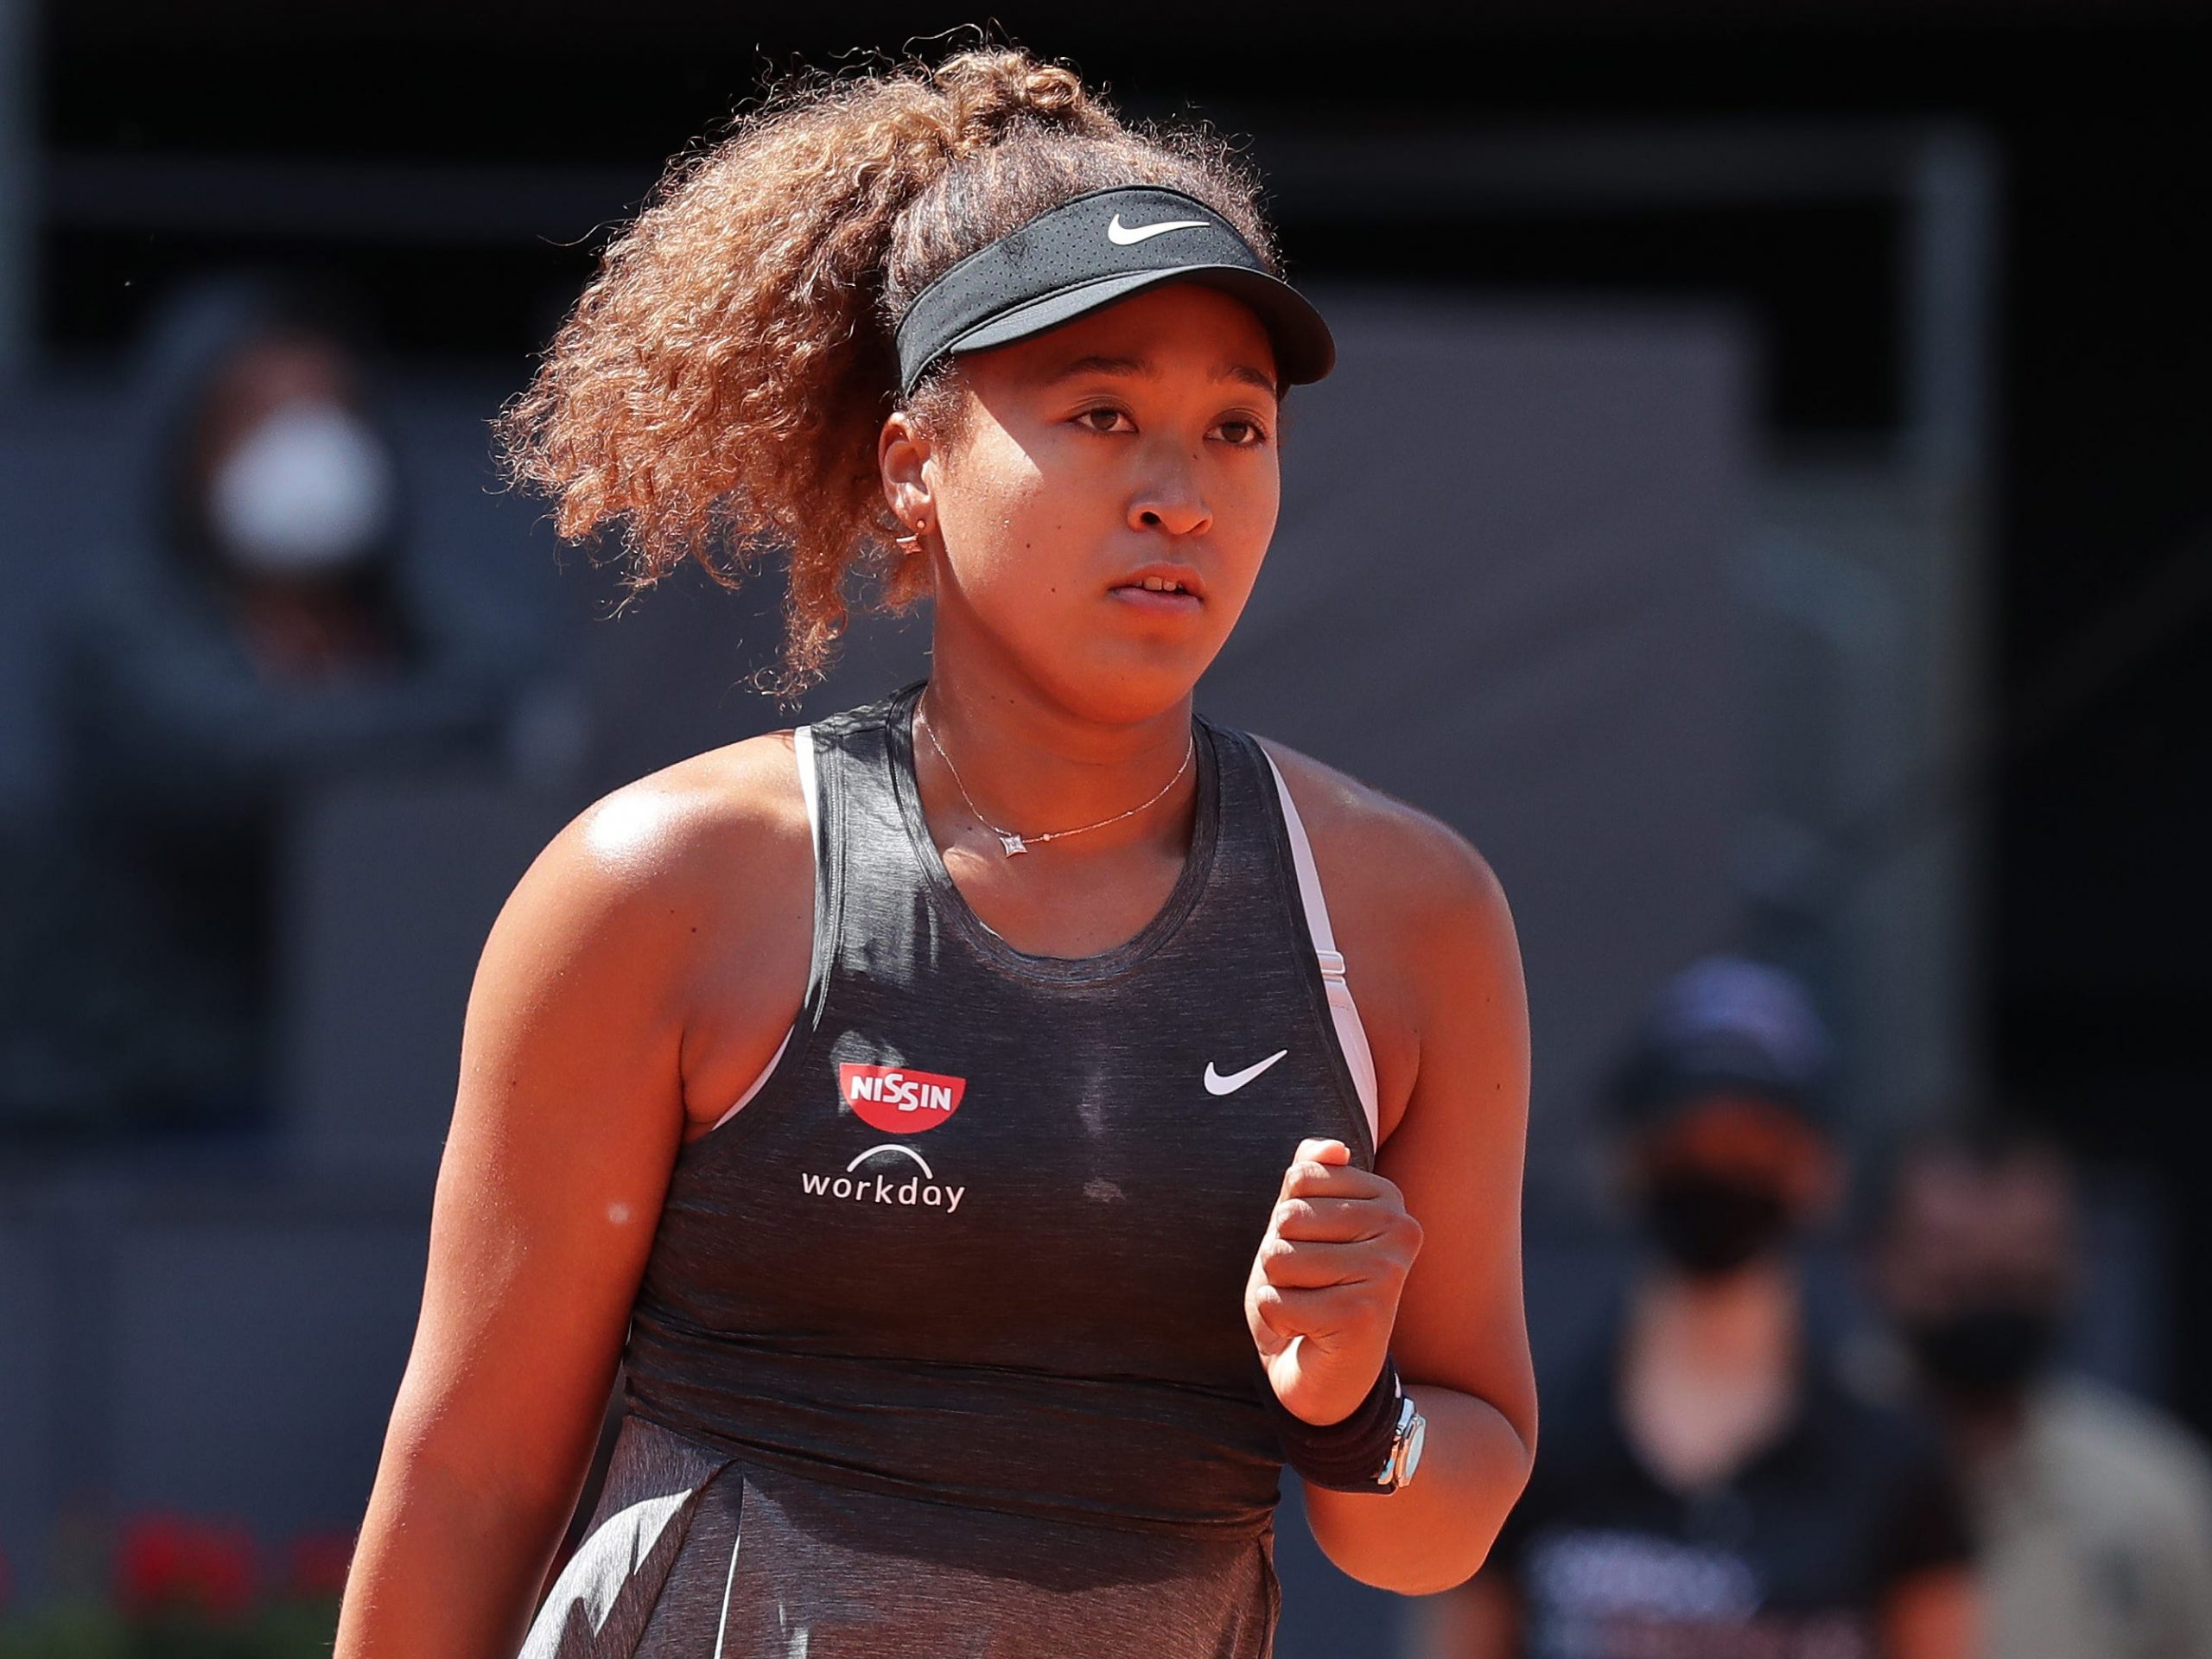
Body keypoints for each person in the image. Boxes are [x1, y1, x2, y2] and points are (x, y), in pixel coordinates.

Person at [334, 44, 1536, 1659]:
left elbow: (1431, 1525)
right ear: (916, 466)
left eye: (1236, 430)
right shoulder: (668, 889)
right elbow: (471, 1475)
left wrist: (1348, 1402)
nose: (1179, 492)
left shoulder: (1411, 920)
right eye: (1102, 413)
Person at [0, 270, 531, 1136]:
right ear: (191, 447)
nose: (303, 449)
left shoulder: (432, 629)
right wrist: (435, 731)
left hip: (385, 1079)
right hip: (161, 1100)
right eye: (259, 417)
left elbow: (520, 689)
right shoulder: (122, 624)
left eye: (327, 412)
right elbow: (229, 758)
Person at [1424, 956, 1978, 1659]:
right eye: (1693, 1135)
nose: (1722, 1163)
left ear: (1818, 1168)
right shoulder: (1524, 1448)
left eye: (1756, 1140)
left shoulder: (1894, 1462)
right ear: (1628, 1157)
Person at [1870, 1121, 2212, 1659]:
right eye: (1951, 1251)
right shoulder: (1802, 1467)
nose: (1985, 1278)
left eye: (2021, 1258)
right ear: (1878, 1259)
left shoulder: (2155, 1496)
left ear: (2076, 1263)